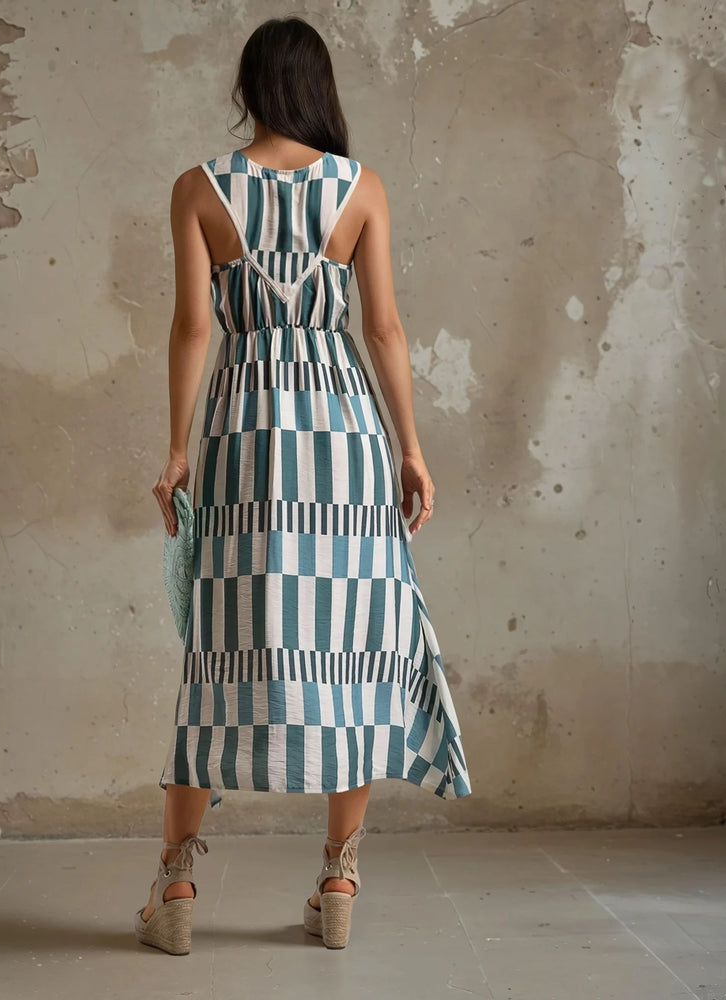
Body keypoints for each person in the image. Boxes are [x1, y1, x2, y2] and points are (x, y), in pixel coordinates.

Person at [139, 15, 472, 955]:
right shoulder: (357, 188)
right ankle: (338, 879)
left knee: (221, 649)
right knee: (352, 647)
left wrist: (175, 451)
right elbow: (386, 332)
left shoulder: (201, 189)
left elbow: (191, 329)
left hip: (245, 437)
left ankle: (177, 891)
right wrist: (409, 448)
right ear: (320, 88)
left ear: (249, 86)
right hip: (345, 438)